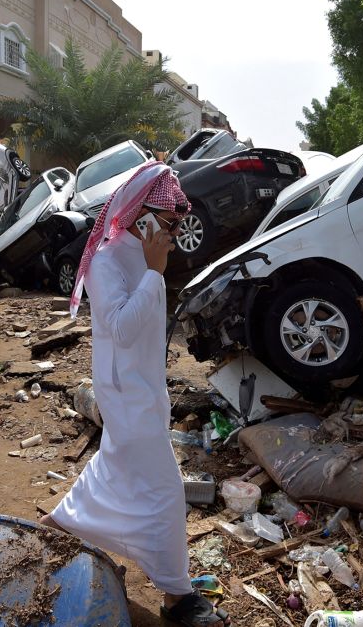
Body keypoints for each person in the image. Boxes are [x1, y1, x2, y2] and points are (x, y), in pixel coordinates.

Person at [39, 161, 230, 627]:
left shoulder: (139, 258)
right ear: (142, 216)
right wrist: (153, 272)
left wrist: (152, 271)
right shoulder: (108, 261)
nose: (172, 232)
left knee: (114, 469)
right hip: (125, 394)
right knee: (164, 490)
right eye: (168, 223)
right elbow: (122, 329)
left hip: (142, 389)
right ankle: (176, 597)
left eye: (175, 224)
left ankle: (52, 530)